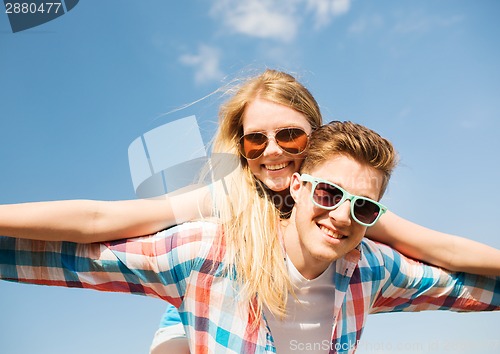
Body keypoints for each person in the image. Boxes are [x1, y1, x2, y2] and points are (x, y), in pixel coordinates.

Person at [1, 70, 500, 353]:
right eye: (255, 139)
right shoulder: (229, 196)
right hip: (198, 311)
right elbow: (101, 223)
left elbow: (440, 251)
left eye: (289, 135)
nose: (273, 151)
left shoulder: (346, 205)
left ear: (316, 139)